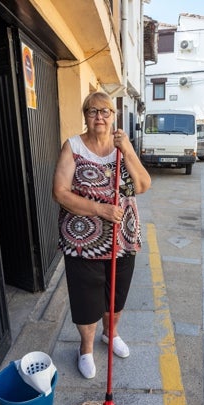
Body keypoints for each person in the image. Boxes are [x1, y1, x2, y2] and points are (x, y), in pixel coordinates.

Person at [52, 92, 151, 379]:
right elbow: (59, 192)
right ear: (85, 115)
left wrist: (128, 149)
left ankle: (111, 335)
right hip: (83, 241)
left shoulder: (123, 147)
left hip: (123, 239)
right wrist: (100, 210)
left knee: (115, 296)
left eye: (105, 111)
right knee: (86, 299)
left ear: (113, 116)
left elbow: (143, 185)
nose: (100, 117)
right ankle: (85, 349)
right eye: (93, 111)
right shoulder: (73, 147)